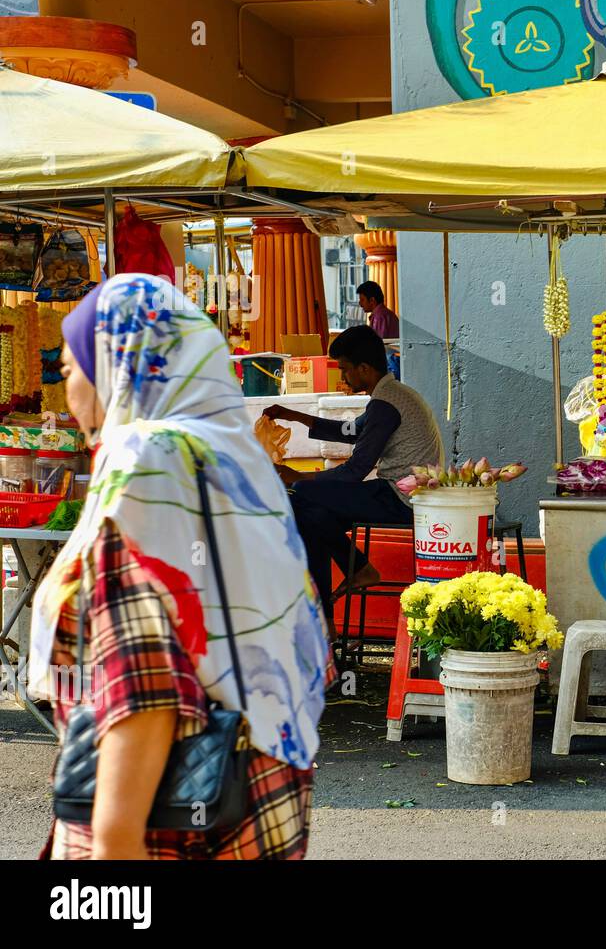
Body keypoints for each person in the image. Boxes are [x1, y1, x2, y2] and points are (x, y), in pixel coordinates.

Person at [28, 274, 332, 859]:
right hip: (255, 811)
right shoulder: (233, 462)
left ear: (117, 368)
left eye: (70, 370)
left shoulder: (145, 471)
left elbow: (144, 685)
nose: (67, 390)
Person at [263, 325, 442, 608]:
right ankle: (335, 607)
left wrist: (299, 477)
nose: (343, 376)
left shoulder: (386, 404)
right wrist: (295, 416)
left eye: (345, 369)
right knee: (312, 516)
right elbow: (351, 430)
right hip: (396, 494)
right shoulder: (391, 396)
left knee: (301, 497)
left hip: (401, 499)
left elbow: (355, 471)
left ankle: (355, 574)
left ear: (364, 369)